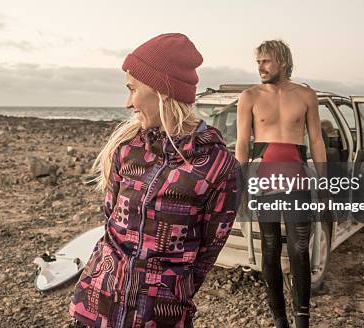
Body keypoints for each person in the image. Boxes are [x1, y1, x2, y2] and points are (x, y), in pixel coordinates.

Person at [69, 33, 241, 328]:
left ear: (161, 90)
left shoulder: (219, 168)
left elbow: (205, 256)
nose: (127, 102)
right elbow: (109, 227)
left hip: (158, 318)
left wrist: (164, 294)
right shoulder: (128, 149)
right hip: (95, 307)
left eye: (132, 89)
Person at [235, 40, 326, 328]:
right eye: (258, 62)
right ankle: (279, 320)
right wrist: (242, 185)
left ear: (283, 62)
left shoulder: (306, 95)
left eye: (265, 61)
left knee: (300, 249)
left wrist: (323, 182)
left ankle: (302, 319)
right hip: (264, 182)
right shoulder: (249, 97)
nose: (260, 67)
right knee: (271, 248)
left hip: (296, 180)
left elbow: (316, 140)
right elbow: (242, 144)